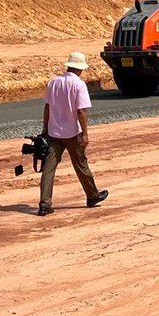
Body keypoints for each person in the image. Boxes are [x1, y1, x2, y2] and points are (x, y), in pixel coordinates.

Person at [38, 52, 108, 216]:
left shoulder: (53, 82)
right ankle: (92, 195)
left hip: (54, 132)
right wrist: (85, 134)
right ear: (80, 69)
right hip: (72, 133)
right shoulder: (79, 85)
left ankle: (44, 204)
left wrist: (45, 129)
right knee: (81, 165)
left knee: (48, 169)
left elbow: (47, 107)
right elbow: (81, 111)